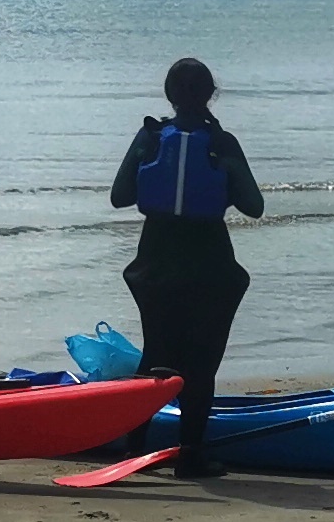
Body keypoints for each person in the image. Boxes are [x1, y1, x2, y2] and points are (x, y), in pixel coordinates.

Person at [108, 55, 265, 479]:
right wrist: (221, 178)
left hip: (155, 261)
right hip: (210, 264)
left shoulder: (151, 138)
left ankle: (133, 451)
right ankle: (191, 455)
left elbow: (119, 196)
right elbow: (255, 206)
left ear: (169, 96)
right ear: (212, 94)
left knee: (155, 356)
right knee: (202, 364)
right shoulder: (223, 143)